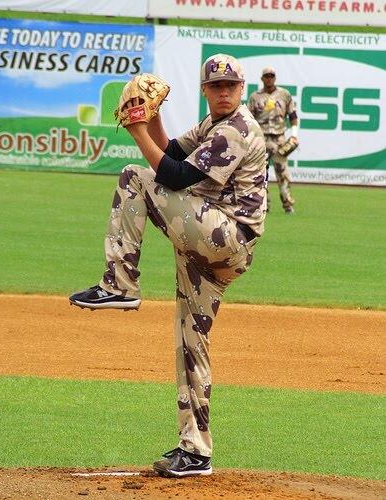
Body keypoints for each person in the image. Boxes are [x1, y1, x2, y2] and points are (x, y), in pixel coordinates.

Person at [69, 54, 267, 477]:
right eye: (216, 85)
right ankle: (196, 451)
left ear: (242, 87)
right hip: (210, 245)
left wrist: (138, 128)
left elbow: (173, 177)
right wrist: (153, 119)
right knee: (189, 341)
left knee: (134, 177)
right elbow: (173, 151)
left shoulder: (236, 128)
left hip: (225, 237)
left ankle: (119, 284)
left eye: (231, 85)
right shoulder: (212, 125)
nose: (224, 91)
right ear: (205, 90)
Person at [248, 66, 298, 214]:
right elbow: (249, 120)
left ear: (275, 78)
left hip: (279, 139)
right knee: (260, 174)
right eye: (266, 76)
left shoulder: (284, 94)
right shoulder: (255, 97)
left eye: (271, 76)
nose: (269, 78)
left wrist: (294, 134)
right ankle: (263, 205)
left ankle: (288, 205)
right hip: (260, 139)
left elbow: (293, 116)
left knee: (283, 173)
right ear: (262, 78)